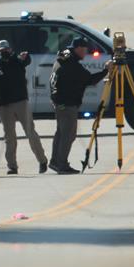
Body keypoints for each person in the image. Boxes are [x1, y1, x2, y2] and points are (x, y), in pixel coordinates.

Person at [49, 37, 112, 174]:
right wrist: (106, 70)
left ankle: (55, 161)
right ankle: (62, 165)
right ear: (77, 49)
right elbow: (89, 79)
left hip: (59, 101)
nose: (85, 53)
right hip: (67, 103)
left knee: (61, 133)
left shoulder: (64, 56)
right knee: (68, 135)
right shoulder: (72, 65)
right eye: (84, 50)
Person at [0, 40, 48, 175]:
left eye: (6, 49)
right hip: (4, 107)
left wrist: (25, 57)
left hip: (20, 102)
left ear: (10, 49)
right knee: (10, 138)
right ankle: (12, 166)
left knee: (30, 133)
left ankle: (42, 161)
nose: (4, 52)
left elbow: (26, 61)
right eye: (1, 50)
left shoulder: (17, 62)